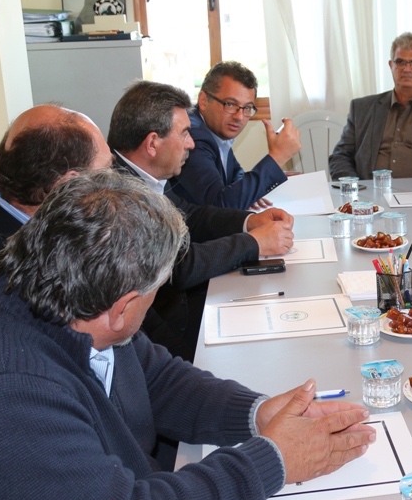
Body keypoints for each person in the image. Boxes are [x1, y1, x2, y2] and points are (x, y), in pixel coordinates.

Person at [0, 170, 376, 500]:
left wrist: (255, 413)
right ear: (123, 308)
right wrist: (273, 460)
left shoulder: (55, 285)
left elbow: (157, 376)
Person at [108, 80, 295, 361]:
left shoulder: (146, 176)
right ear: (152, 143)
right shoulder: (118, 195)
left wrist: (249, 221)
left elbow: (191, 215)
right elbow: (177, 266)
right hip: (168, 331)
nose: (191, 143)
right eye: (185, 133)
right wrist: (253, 243)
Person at [0, 104, 113, 310]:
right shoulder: (0, 278)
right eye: (106, 171)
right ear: (67, 185)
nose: (113, 182)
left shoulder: (49, 225)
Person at [327, 32, 412, 180]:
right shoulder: (361, 108)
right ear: (391, 65)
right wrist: (355, 188)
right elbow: (340, 157)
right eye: (400, 62)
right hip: (369, 190)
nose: (407, 69)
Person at [169, 61, 302, 209]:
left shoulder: (215, 130)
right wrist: (278, 157)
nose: (239, 117)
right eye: (230, 104)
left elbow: (235, 174)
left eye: (247, 107)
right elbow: (221, 206)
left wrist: (251, 189)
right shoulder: (193, 137)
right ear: (204, 101)